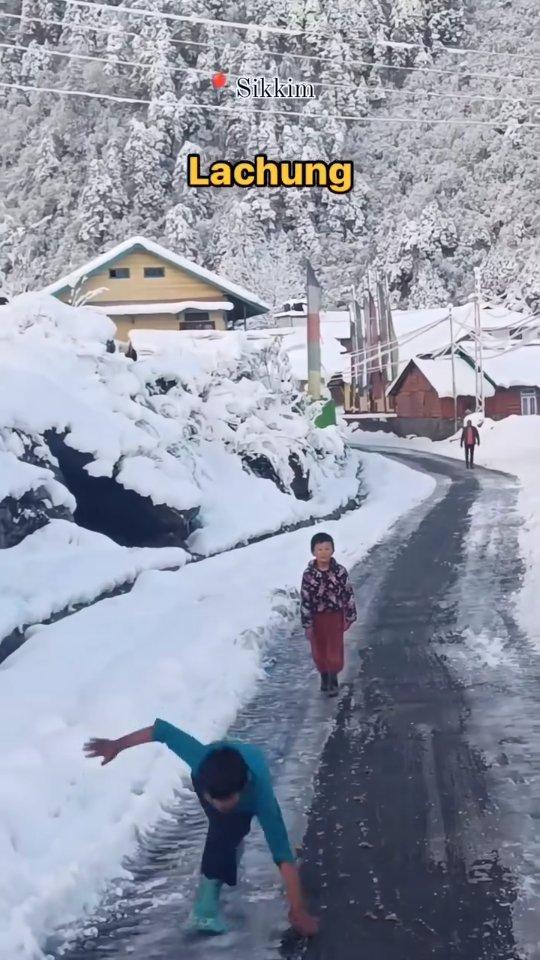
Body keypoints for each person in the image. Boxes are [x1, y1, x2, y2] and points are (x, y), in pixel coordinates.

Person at [84, 720, 318, 938]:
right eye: (216, 801)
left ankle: (220, 869)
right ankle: (207, 903)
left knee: (232, 827)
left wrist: (298, 909)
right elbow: (160, 731)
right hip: (213, 773)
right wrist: (117, 745)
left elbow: (282, 853)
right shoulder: (200, 759)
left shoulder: (260, 794)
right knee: (224, 829)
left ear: (242, 790)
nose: (221, 805)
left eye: (229, 802)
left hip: (240, 775)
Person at [301, 532, 357, 696]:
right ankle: (324, 675)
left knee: (334, 648)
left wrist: (349, 615)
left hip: (335, 616)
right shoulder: (309, 575)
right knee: (319, 649)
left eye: (327, 548)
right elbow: (305, 598)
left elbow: (348, 593)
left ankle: (333, 678)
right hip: (317, 617)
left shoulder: (340, 572)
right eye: (319, 549)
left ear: (332, 550)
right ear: (313, 552)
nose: (323, 552)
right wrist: (307, 622)